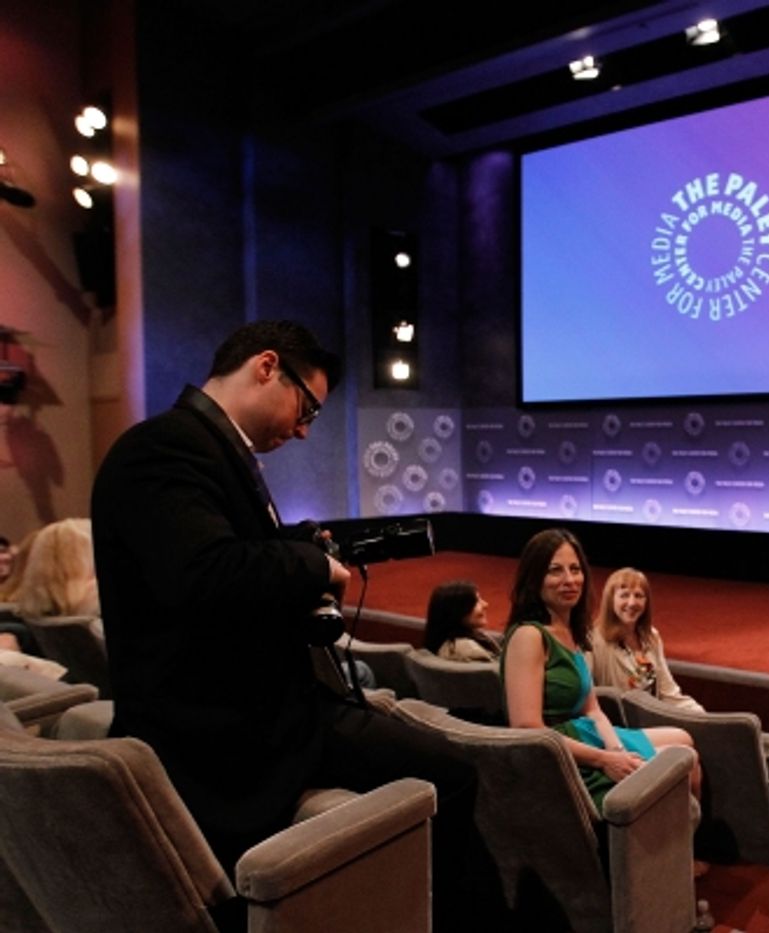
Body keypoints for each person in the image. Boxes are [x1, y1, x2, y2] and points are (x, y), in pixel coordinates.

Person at [91, 320, 499, 931]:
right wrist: (315, 566)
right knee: (455, 776)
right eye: (306, 408)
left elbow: (219, 551)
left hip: (256, 710)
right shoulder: (164, 448)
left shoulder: (202, 446)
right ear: (266, 367)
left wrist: (293, 543)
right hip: (231, 732)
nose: (305, 429)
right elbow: (206, 574)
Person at [500, 528, 702, 809]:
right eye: (555, 571)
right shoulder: (529, 636)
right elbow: (526, 727)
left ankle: (681, 833)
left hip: (586, 734)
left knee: (684, 740)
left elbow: (592, 709)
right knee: (686, 762)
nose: (569, 580)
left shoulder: (571, 631)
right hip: (558, 752)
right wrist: (605, 759)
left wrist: (617, 750)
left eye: (575, 569)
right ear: (534, 579)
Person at [590, 567, 702, 712]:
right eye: (624, 595)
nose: (632, 603)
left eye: (638, 596)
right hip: (616, 721)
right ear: (610, 600)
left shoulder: (651, 637)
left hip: (651, 716)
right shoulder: (593, 640)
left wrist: (700, 715)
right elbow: (587, 696)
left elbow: (669, 693)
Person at [424, 580, 499, 662]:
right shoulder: (469, 652)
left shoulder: (445, 642)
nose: (486, 604)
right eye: (476, 602)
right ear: (457, 611)